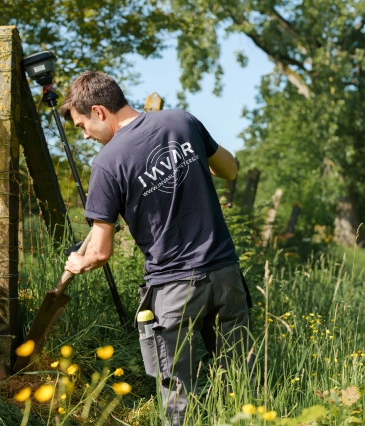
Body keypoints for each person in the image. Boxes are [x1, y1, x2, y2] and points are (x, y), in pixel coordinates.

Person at [62, 71, 252, 425]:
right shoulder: (181, 120)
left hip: (174, 290)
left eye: (82, 126)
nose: (85, 135)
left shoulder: (107, 163)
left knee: (180, 400)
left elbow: (100, 252)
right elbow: (230, 170)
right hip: (225, 276)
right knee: (242, 383)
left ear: (99, 111)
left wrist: (77, 262)